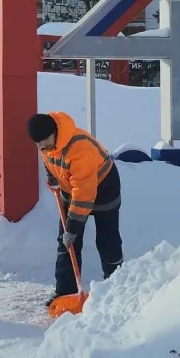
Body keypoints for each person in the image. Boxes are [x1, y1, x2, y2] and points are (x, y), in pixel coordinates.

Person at [27, 112, 123, 305]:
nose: (42, 147)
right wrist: (52, 176)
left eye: (44, 141)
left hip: (104, 187)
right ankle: (65, 292)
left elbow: (84, 195)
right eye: (38, 144)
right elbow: (48, 159)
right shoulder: (47, 143)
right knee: (66, 243)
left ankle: (117, 288)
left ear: (55, 132)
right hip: (70, 187)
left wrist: (73, 228)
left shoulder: (79, 149)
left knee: (107, 239)